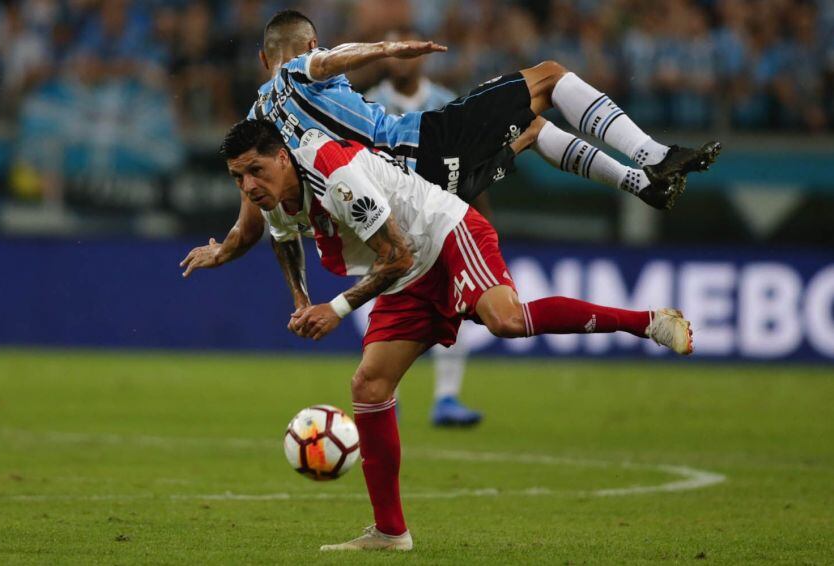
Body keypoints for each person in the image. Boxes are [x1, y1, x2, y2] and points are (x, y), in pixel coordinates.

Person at [193, 118, 695, 551]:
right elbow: (284, 243)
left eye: (255, 171)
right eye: (238, 178)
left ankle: (648, 322)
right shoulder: (270, 196)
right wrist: (302, 302)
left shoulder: (335, 175)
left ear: (282, 157)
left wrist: (338, 308)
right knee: (368, 386)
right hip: (405, 272)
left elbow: (399, 255)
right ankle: (390, 533)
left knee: (505, 319)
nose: (249, 186)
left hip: (442, 234)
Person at [180, 10, 721, 286]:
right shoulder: (301, 70)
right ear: (306, 46)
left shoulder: (258, 138)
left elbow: (252, 220)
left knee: (529, 130)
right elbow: (334, 59)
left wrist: (220, 252)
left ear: (260, 58)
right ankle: (653, 156)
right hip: (424, 151)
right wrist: (391, 48)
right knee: (550, 78)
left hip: (412, 202)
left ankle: (642, 185)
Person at [366, 27, 481, 427]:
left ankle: (447, 397)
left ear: (422, 56)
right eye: (393, 52)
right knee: (387, 309)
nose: (401, 59)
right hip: (384, 226)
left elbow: (469, 169)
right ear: (384, 57)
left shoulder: (445, 104)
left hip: (440, 220)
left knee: (455, 304)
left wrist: (481, 218)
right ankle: (385, 394)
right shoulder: (367, 104)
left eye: (407, 52)